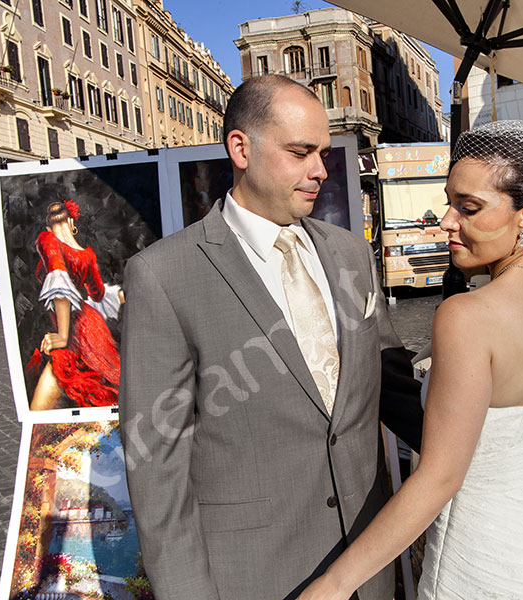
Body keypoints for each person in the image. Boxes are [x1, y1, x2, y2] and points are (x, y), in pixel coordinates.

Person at [119, 75, 424, 600]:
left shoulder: (351, 254)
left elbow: (389, 383)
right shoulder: (163, 275)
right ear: (240, 148)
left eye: (323, 153)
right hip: (253, 576)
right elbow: (156, 464)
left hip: (366, 565)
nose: (319, 172)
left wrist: (490, 422)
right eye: (300, 152)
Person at [299, 120, 523, 600]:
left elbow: (440, 477)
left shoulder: (466, 317)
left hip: (488, 562)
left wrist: (333, 585)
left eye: (469, 207)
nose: (447, 221)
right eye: (450, 201)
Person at [28, 200, 122, 410]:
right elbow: (97, 295)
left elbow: (59, 286)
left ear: (48, 227)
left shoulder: (47, 240)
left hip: (75, 332)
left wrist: (62, 336)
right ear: (71, 223)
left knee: (42, 407)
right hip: (92, 329)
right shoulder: (88, 256)